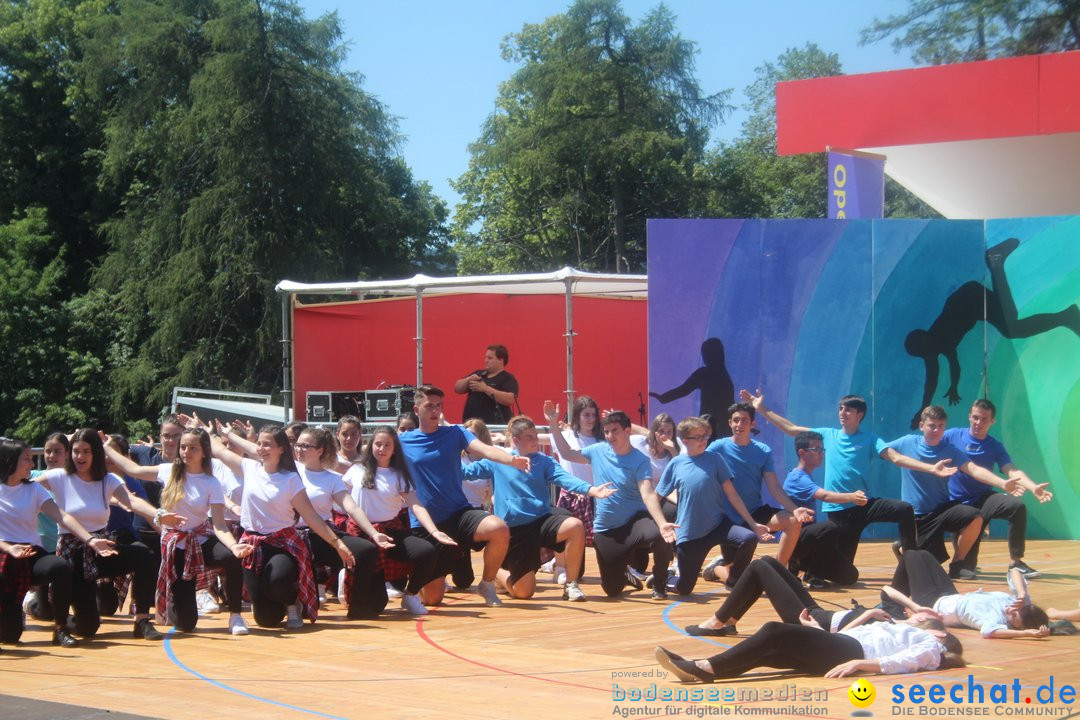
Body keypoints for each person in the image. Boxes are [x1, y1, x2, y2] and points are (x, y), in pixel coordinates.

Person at [742, 390, 957, 573]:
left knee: (903, 509)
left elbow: (896, 457)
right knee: (846, 572)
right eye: (841, 409)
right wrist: (761, 408)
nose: (842, 414)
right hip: (839, 511)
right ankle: (809, 570)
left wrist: (932, 468)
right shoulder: (827, 434)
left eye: (848, 410)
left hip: (864, 504)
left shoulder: (870, 439)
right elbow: (791, 429)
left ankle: (911, 562)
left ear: (859, 415)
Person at [904, 238, 1080, 429]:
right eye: (922, 352)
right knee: (1011, 325)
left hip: (972, 299)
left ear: (925, 342)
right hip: (972, 305)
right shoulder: (935, 346)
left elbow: (936, 376)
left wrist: (924, 409)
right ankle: (1065, 316)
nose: (926, 355)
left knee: (1011, 324)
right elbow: (938, 376)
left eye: (923, 350)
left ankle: (996, 262)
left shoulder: (939, 341)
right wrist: (935, 401)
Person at [103, 428, 253, 635]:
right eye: (183, 447)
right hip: (177, 544)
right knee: (186, 623)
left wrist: (235, 546)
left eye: (193, 448)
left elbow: (218, 524)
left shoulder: (211, 482)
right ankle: (177, 600)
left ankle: (235, 615)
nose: (186, 452)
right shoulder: (168, 471)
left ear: (204, 452)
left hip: (200, 539)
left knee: (230, 558)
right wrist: (105, 447)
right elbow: (133, 470)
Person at [40, 429, 185, 641]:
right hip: (74, 555)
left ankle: (142, 620)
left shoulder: (107, 479)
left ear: (96, 453)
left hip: (103, 547)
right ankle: (55, 619)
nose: (80, 457)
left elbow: (132, 501)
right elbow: (23, 488)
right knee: (88, 627)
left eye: (86, 451)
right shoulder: (59, 477)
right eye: (76, 451)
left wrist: (159, 514)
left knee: (143, 554)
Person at [212, 422, 355, 629]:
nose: (261, 448)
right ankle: (272, 604)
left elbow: (312, 517)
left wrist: (337, 544)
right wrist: (203, 431)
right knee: (266, 620)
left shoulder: (290, 480)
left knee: (276, 580)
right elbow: (217, 449)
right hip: (252, 543)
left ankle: (292, 602)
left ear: (281, 449)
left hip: (282, 543)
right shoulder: (249, 468)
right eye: (259, 443)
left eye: (267, 444)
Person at [398, 385, 529, 608]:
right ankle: (418, 579)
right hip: (425, 522)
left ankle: (487, 584)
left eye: (439, 406)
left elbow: (484, 449)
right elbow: (376, 461)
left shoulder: (455, 433)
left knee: (498, 528)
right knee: (432, 599)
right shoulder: (403, 441)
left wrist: (510, 459)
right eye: (429, 406)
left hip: (458, 513)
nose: (435, 411)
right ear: (417, 408)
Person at [464, 415, 615, 601]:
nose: (535, 440)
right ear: (516, 440)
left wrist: (591, 490)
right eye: (529, 437)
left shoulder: (544, 461)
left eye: (535, 435)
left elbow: (565, 478)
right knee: (524, 593)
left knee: (575, 526)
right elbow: (466, 473)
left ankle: (571, 584)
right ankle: (497, 575)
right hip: (515, 531)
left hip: (541, 521)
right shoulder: (498, 460)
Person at [545, 402, 672, 599]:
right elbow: (567, 454)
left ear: (627, 431)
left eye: (615, 431)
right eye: (606, 431)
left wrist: (663, 524)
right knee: (612, 590)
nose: (610, 436)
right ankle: (623, 573)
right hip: (607, 528)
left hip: (635, 522)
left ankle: (660, 582)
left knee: (659, 535)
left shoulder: (640, 460)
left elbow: (647, 493)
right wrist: (553, 424)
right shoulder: (598, 450)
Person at [1, 437, 114, 649]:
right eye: (27, 459)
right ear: (10, 461)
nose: (32, 464)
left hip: (29, 552)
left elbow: (63, 517)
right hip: (4, 552)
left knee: (60, 566)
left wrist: (90, 540)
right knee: (9, 636)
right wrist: (8, 547)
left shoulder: (33, 490)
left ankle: (60, 628)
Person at [886, 405, 1019, 579]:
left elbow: (974, 470)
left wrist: (1003, 483)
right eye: (932, 425)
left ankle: (957, 564)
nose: (936, 430)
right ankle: (905, 548)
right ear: (921, 426)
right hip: (915, 515)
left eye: (941, 426)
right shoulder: (906, 442)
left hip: (941, 511)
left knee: (974, 517)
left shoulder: (950, 451)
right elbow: (880, 449)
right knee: (922, 569)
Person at [656, 611, 964, 682]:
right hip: (843, 645)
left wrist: (860, 665)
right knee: (771, 650)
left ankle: (707, 667)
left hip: (850, 653)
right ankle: (706, 669)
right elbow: (852, 633)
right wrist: (818, 631)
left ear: (940, 635)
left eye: (926, 618)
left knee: (774, 631)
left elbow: (902, 663)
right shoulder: (899, 628)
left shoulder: (929, 645)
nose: (920, 615)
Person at [651, 417, 768, 596]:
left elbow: (732, 494)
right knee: (684, 589)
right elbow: (655, 497)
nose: (703, 440)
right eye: (697, 437)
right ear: (685, 441)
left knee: (749, 538)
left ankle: (734, 580)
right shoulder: (676, 464)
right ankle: (667, 578)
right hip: (690, 533)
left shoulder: (715, 459)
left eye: (705, 436)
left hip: (718, 525)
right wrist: (660, 523)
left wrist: (753, 523)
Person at [700, 403, 812, 582]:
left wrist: (794, 509)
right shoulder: (717, 448)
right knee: (736, 580)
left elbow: (774, 487)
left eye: (744, 420)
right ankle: (716, 569)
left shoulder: (763, 451)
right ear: (730, 423)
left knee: (793, 521)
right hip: (727, 520)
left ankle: (779, 571)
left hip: (755, 513)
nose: (739, 424)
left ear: (752, 424)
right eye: (736, 420)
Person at [343, 426, 447, 616]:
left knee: (427, 551)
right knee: (375, 606)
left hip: (390, 530)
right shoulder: (357, 469)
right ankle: (349, 578)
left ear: (394, 449)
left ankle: (410, 595)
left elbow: (416, 505)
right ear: (370, 445)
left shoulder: (398, 474)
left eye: (387, 445)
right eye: (378, 444)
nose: (381, 449)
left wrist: (434, 531)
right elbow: (342, 495)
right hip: (362, 532)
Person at [945, 398, 1052, 577]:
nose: (979, 423)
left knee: (1016, 507)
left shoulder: (994, 446)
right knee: (967, 568)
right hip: (956, 504)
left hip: (983, 499)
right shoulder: (952, 436)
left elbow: (1011, 470)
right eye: (976, 418)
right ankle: (960, 555)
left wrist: (1033, 488)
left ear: (992, 421)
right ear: (970, 417)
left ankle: (1016, 562)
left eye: (984, 419)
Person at [292, 427, 388, 619]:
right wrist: (228, 436)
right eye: (298, 445)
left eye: (305, 446)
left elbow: (351, 506)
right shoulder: (290, 470)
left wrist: (373, 533)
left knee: (366, 551)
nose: (299, 449)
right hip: (292, 535)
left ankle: (357, 605)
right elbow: (252, 452)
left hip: (321, 533)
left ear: (320, 450)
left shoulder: (332, 479)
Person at [684, 556, 898, 637]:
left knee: (758, 567)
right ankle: (729, 621)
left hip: (813, 624)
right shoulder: (902, 620)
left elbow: (842, 637)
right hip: (822, 615)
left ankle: (716, 622)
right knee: (767, 561)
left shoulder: (900, 633)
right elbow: (889, 592)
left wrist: (867, 614)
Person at [881, 549, 1050, 639]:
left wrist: (1026, 634)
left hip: (932, 604)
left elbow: (988, 633)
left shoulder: (996, 621)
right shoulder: (1019, 603)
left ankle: (892, 599)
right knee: (924, 554)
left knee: (911, 555)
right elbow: (1014, 572)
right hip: (951, 594)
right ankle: (896, 591)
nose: (1011, 611)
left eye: (1014, 619)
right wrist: (1021, 594)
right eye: (1016, 610)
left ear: (1016, 626)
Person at [782, 430, 862, 587]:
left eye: (822, 449)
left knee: (850, 576)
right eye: (816, 449)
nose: (821, 453)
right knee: (830, 527)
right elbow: (824, 496)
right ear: (802, 453)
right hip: (796, 542)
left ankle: (804, 566)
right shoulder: (797, 477)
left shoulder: (806, 475)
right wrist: (851, 497)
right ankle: (808, 572)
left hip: (810, 544)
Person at [541, 395, 605, 584]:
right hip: (571, 496)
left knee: (599, 538)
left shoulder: (601, 440)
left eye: (593, 415)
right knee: (569, 542)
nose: (591, 419)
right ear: (577, 416)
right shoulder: (566, 436)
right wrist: (553, 422)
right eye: (586, 415)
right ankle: (559, 566)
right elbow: (561, 450)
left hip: (595, 495)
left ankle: (613, 567)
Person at [650, 337, 735, 439]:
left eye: (705, 354)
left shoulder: (704, 374)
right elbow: (730, 403)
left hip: (708, 428)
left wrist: (663, 398)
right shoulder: (725, 377)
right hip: (725, 429)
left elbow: (683, 390)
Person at [454, 344, 519, 424]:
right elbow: (457, 388)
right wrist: (468, 379)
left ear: (500, 360)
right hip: (471, 425)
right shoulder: (479, 373)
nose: (486, 360)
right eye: (485, 357)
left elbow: (510, 399)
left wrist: (485, 388)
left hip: (493, 427)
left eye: (490, 358)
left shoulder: (507, 378)